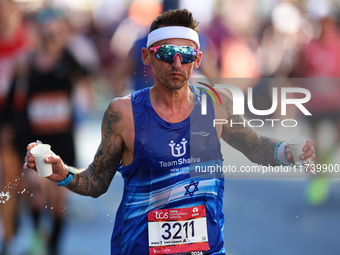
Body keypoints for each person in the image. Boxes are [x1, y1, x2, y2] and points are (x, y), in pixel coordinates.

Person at [24, 9, 315, 255]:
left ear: (197, 59)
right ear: (147, 57)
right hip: (139, 247)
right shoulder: (123, 113)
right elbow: (97, 182)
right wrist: (63, 174)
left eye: (186, 54)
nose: (177, 63)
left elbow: (254, 146)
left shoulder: (215, 104)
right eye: (166, 53)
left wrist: (286, 151)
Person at [11, 8, 90, 255]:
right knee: (35, 192)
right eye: (46, 31)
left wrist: (62, 45)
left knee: (58, 203)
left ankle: (53, 247)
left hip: (63, 141)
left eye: (54, 31)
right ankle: (36, 237)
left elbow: (87, 78)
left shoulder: (67, 61)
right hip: (35, 141)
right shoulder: (26, 64)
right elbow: (15, 102)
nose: (49, 36)